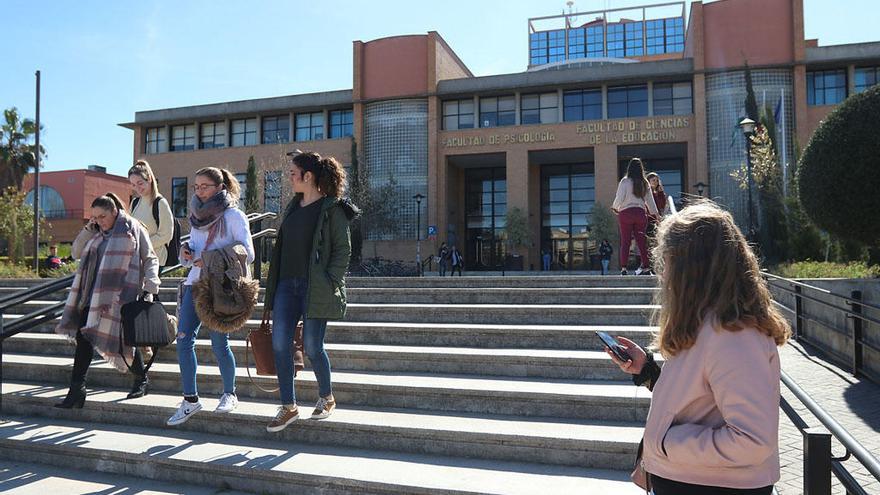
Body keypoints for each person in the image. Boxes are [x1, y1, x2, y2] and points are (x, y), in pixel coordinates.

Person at [605, 200, 790, 494]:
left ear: (694, 268)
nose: (662, 275)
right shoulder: (708, 323)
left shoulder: (734, 336)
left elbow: (753, 441)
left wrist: (666, 443)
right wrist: (648, 371)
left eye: (668, 262)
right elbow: (698, 398)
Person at [263, 151, 359, 432]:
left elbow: (343, 250)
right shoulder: (293, 208)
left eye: (293, 173)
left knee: (314, 347)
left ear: (308, 176)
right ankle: (288, 406)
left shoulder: (334, 209)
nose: (289, 178)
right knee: (280, 344)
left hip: (315, 286)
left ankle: (326, 397)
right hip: (286, 285)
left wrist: (330, 281)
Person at [54, 193, 159, 408]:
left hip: (123, 294)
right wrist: (87, 229)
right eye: (94, 217)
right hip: (92, 295)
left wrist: (151, 287)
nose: (99, 221)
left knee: (124, 341)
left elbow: (150, 258)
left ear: (114, 212)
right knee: (84, 339)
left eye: (102, 216)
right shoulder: (95, 233)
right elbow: (75, 252)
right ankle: (77, 390)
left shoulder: (133, 228)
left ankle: (141, 379)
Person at [166, 167, 254, 426]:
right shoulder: (196, 217)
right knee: (183, 341)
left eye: (204, 186)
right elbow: (194, 250)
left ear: (220, 188)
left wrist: (210, 259)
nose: (199, 191)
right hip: (195, 284)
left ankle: (230, 393)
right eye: (196, 186)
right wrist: (186, 251)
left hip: (220, 287)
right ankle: (190, 400)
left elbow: (247, 252)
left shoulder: (234, 216)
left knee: (219, 344)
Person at [612, 158, 658, 275]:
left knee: (626, 241)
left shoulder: (625, 181)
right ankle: (646, 267)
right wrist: (656, 213)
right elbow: (650, 201)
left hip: (626, 213)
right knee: (641, 241)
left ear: (629, 168)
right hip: (640, 213)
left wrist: (615, 207)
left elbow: (619, 197)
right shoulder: (644, 182)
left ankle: (623, 268)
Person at [128, 160, 175, 267]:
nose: (137, 188)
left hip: (155, 259)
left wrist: (142, 244)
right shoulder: (135, 202)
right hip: (137, 259)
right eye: (133, 185)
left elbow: (166, 235)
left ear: (149, 179)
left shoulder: (160, 202)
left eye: (140, 183)